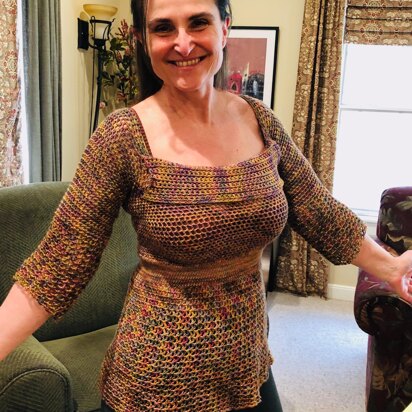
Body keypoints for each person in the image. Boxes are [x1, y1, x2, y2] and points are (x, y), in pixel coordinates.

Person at [1, 0, 412, 411]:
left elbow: (320, 213)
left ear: (224, 28)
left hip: (246, 358)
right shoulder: (123, 136)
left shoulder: (260, 119)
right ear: (143, 40)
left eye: (198, 23)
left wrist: (393, 269)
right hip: (157, 376)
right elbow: (59, 262)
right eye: (164, 28)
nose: (183, 44)